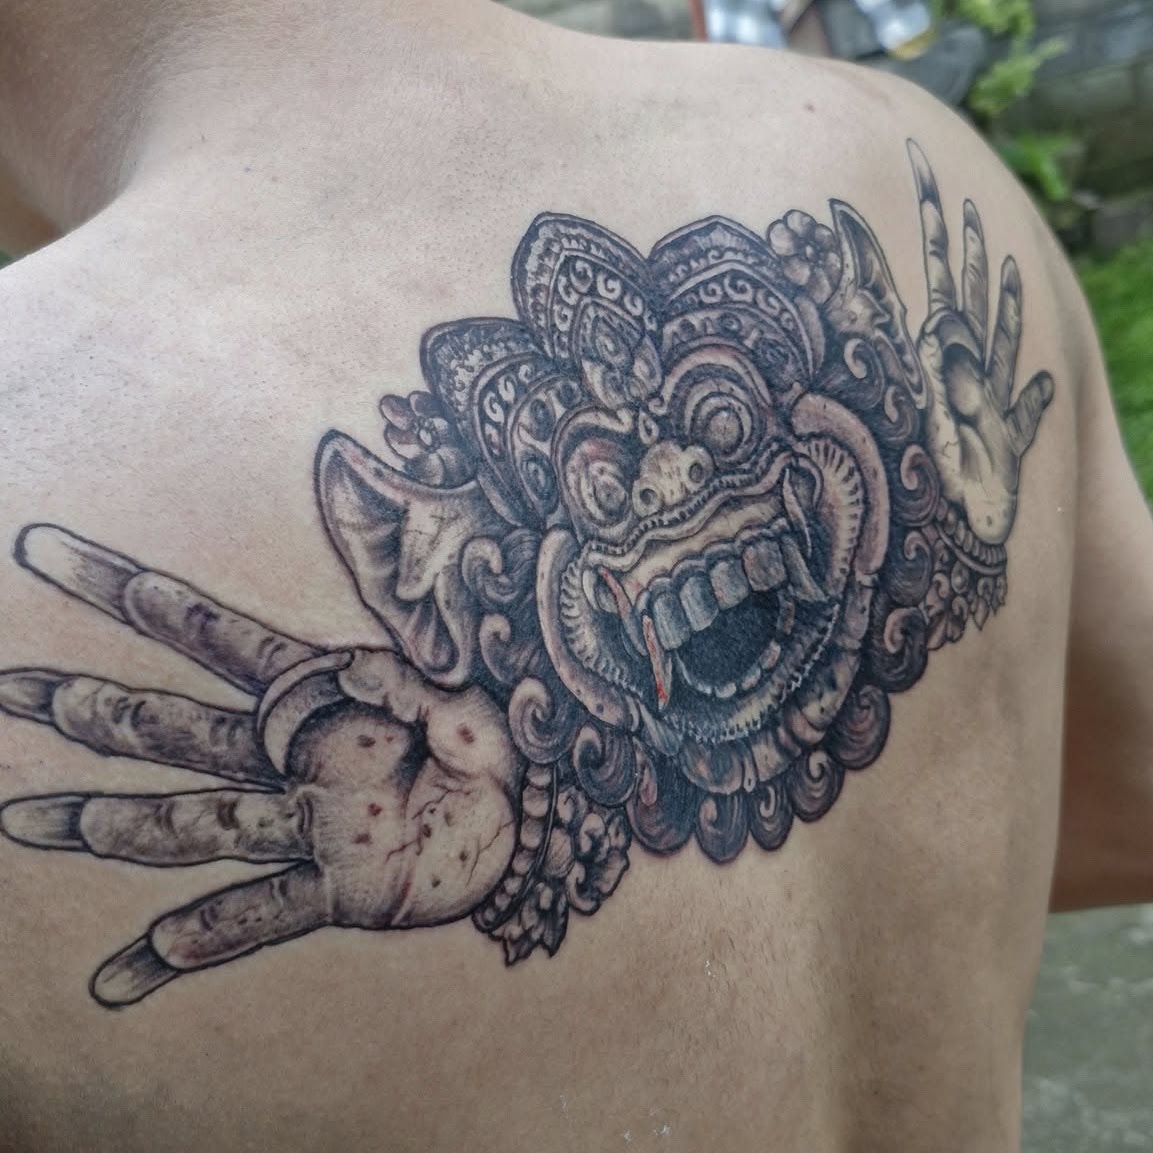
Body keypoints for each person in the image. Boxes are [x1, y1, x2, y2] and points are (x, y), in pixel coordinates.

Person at [0, 2, 1147, 1150]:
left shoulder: (34, 427)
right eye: (600, 484)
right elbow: (1128, 800)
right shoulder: (905, 155)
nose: (668, 476)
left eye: (715, 420)